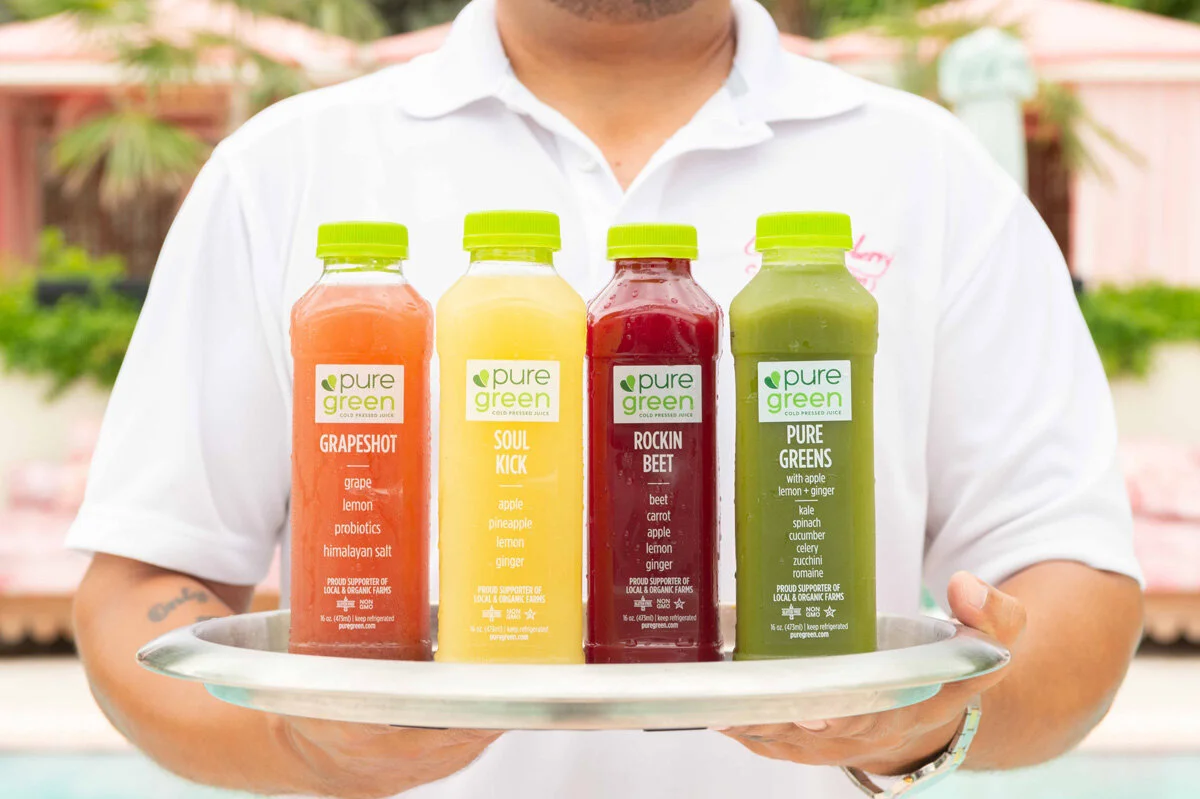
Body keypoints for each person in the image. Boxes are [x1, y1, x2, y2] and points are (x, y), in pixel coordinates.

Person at [67, 0, 1144, 796]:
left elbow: (1078, 594)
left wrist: (931, 724)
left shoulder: (929, 171)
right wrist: (300, 744)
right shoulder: (286, 171)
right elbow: (136, 594)